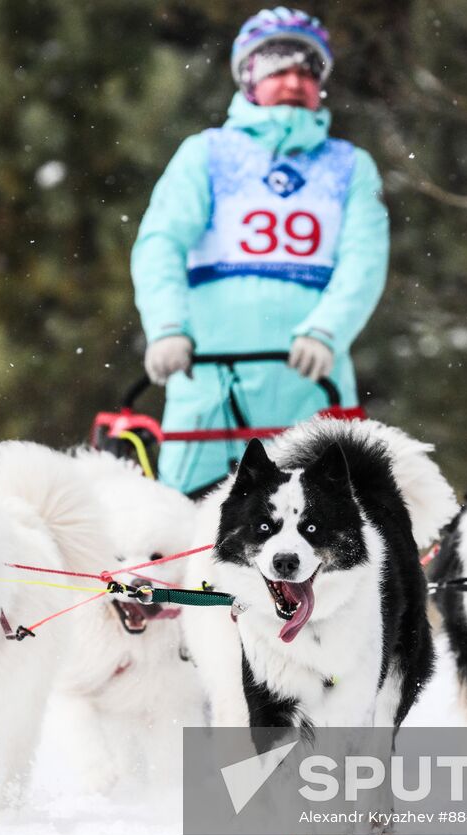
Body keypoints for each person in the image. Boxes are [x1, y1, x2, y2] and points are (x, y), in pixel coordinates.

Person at [131, 7, 389, 495]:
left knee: (329, 522)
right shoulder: (205, 154)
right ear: (250, 79)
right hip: (209, 381)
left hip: (313, 380)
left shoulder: (351, 166)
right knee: (188, 521)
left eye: (307, 71)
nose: (294, 80)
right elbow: (160, 244)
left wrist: (325, 332)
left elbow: (365, 262)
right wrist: (166, 327)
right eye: (278, 68)